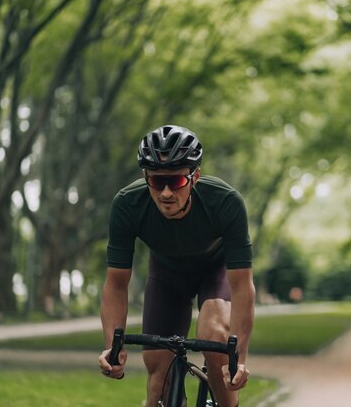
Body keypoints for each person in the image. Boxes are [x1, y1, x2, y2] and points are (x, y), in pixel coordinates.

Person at [98, 125, 255, 407]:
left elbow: (242, 286)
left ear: (195, 177)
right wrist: (113, 347)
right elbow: (116, 284)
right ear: (146, 178)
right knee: (158, 378)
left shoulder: (226, 202)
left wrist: (238, 360)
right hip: (166, 276)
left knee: (214, 332)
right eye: (157, 182)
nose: (166, 193)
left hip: (214, 270)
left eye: (177, 182)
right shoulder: (127, 204)